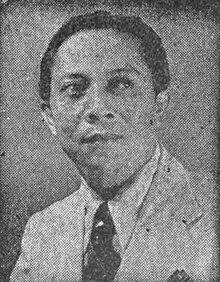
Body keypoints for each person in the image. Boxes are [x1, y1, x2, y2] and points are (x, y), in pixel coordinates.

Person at [10, 10, 217, 282]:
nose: (97, 108)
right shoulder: (42, 231)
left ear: (159, 104)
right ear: (50, 117)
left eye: (121, 84)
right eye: (75, 89)